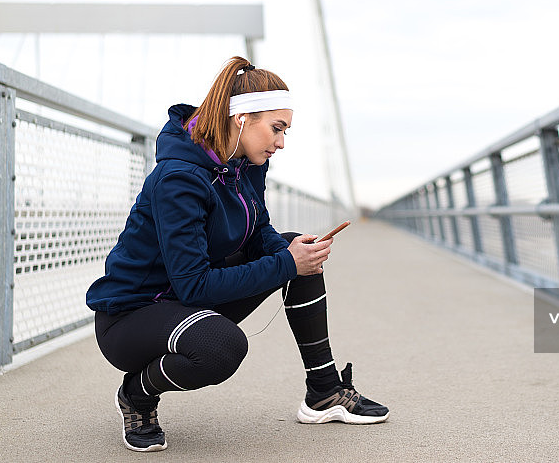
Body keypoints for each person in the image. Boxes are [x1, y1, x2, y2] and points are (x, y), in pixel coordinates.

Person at [86, 56, 388, 452]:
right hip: (133, 318)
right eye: (277, 128)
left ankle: (324, 392)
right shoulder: (179, 178)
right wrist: (286, 262)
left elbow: (260, 229)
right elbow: (194, 285)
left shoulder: (244, 164)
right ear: (242, 118)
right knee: (221, 346)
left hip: (185, 302)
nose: (281, 142)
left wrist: (293, 256)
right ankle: (137, 394)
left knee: (297, 248)